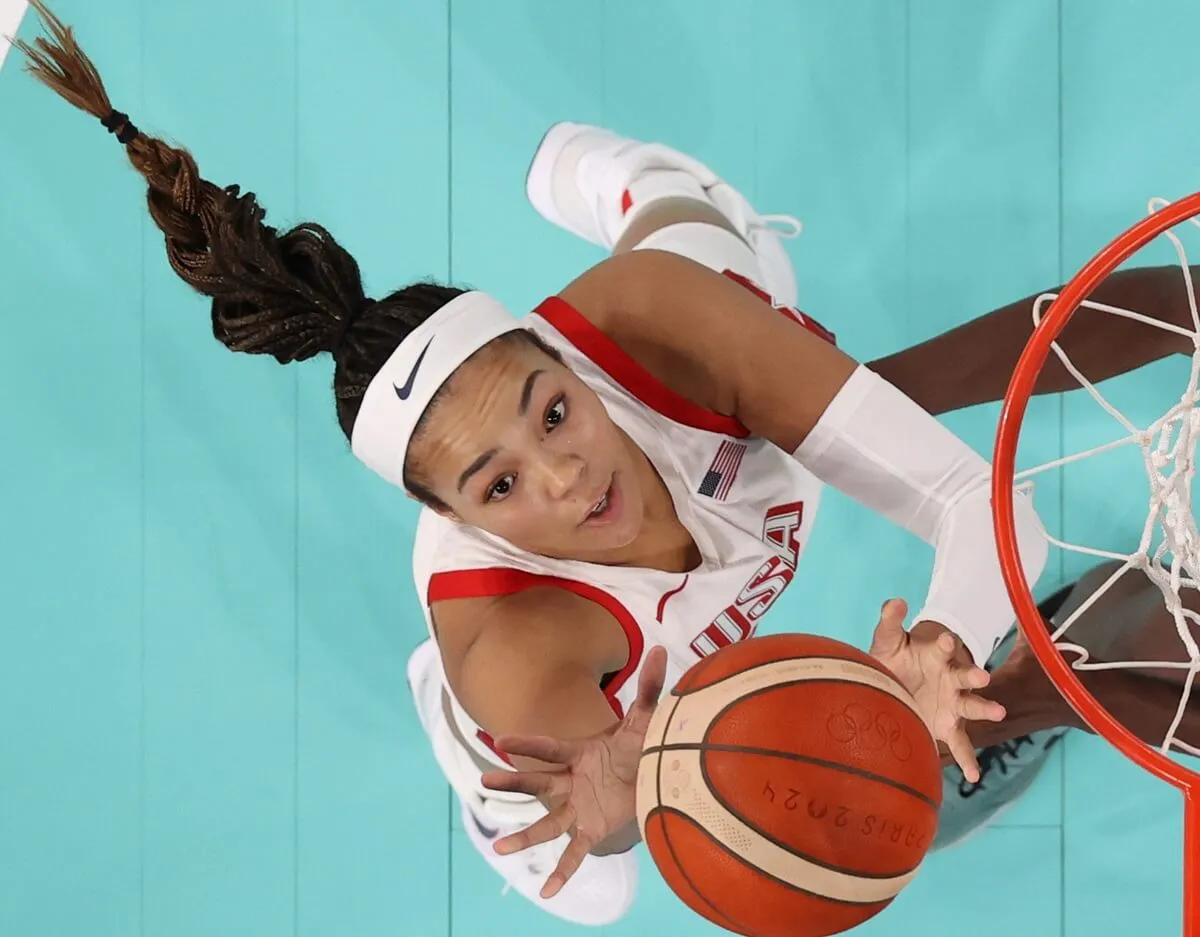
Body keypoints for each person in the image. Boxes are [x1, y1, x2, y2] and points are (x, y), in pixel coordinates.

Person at [15, 1, 1200, 925]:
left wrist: (939, 650)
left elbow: (975, 506)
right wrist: (651, 790)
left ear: (570, 356)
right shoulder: (525, 659)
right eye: (498, 486)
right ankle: (477, 763)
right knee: (731, 836)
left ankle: (648, 187)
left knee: (738, 270)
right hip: (601, 682)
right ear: (463, 522)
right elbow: (687, 804)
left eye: (550, 412)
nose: (564, 477)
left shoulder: (654, 322)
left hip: (703, 389)